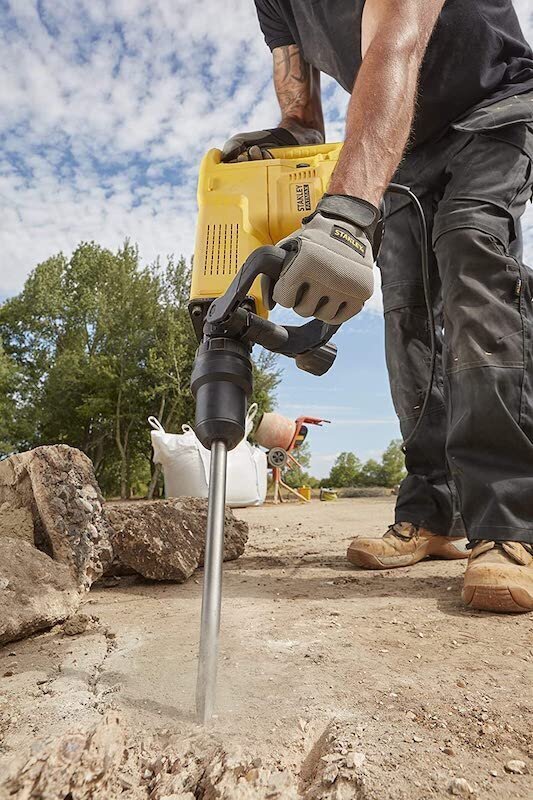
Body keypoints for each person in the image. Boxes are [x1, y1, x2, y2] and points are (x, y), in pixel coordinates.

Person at [222, 0, 533, 613]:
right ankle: (431, 513)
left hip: (494, 104)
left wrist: (345, 212)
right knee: (405, 314)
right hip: (407, 142)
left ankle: (510, 522)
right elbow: (303, 113)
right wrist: (287, 142)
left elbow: (398, 42)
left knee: (470, 249)